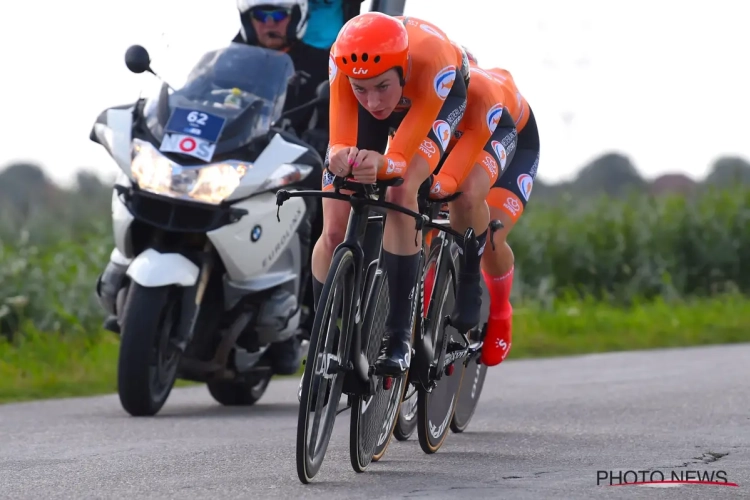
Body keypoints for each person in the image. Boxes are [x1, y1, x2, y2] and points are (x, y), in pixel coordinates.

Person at [95, 0, 327, 377]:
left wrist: (325, 137)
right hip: (231, 158)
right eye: (260, 15)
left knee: (307, 214)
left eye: (278, 15)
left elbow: (344, 111)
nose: (269, 23)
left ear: (296, 18)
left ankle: (303, 324)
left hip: (289, 163)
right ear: (247, 19)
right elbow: (188, 97)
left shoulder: (321, 63)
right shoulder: (223, 59)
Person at [312, 12, 478, 376]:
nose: (372, 101)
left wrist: (384, 166)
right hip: (390, 80)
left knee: (401, 192)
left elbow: (399, 161)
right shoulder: (343, 60)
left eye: (381, 87)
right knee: (335, 224)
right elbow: (340, 138)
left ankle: (399, 336)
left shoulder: (431, 58)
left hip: (435, 99)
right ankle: (323, 342)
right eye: (361, 89)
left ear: (400, 68)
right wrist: (341, 157)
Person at [429, 49, 540, 367]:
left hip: (511, 141)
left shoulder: (482, 92)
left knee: (491, 231)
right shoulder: (421, 96)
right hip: (462, 145)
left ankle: (502, 310)